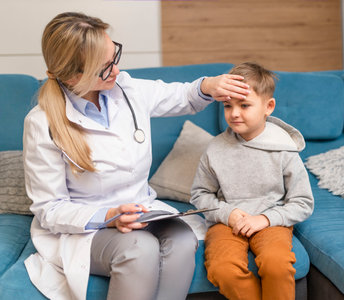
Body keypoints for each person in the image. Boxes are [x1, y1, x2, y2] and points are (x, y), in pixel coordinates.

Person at [22, 12, 250, 300]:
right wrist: (108, 217)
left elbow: (182, 96)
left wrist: (209, 86)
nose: (116, 71)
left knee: (181, 239)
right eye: (103, 68)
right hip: (84, 228)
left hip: (143, 211)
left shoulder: (126, 89)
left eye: (114, 56)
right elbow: (49, 209)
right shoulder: (42, 123)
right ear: (71, 76)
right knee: (139, 249)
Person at [190, 62, 314, 300]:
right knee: (222, 268)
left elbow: (302, 202)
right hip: (227, 223)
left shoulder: (284, 150)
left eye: (244, 105)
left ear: (268, 107)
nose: (234, 113)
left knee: (276, 264)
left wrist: (265, 219)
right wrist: (229, 214)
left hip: (270, 221)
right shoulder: (214, 149)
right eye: (228, 106)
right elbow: (200, 195)